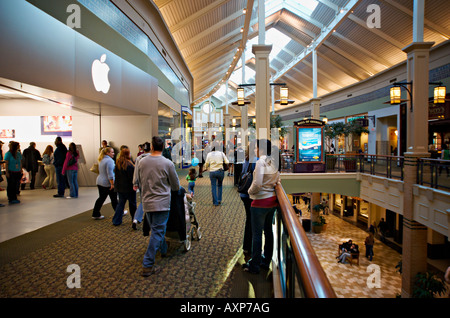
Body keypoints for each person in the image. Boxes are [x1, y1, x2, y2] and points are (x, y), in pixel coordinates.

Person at [135, 136, 180, 277]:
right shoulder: (168, 164)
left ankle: (164, 249)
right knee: (157, 231)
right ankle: (147, 264)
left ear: (152, 148)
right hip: (162, 202)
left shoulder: (142, 162)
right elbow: (175, 185)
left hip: (147, 202)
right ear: (163, 148)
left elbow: (138, 181)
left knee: (156, 229)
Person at [243, 139, 280, 274]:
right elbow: (278, 180)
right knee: (268, 232)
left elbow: (257, 183)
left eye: (256, 147)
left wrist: (249, 192)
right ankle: (266, 261)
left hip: (259, 203)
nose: (255, 150)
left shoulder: (260, 162)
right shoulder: (273, 162)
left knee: (257, 235)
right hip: (272, 201)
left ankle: (255, 265)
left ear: (262, 149)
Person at [239, 140, 257, 255]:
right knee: (252, 221)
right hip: (249, 193)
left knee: (249, 220)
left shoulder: (245, 159)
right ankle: (249, 247)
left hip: (243, 193)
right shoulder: (255, 161)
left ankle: (246, 246)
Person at [112, 148, 136, 227]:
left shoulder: (118, 163)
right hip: (129, 188)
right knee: (132, 204)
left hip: (120, 188)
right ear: (127, 154)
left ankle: (116, 220)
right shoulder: (130, 165)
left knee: (121, 204)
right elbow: (132, 178)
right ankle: (134, 219)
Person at [92, 147, 118, 220]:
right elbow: (110, 174)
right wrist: (112, 184)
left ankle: (95, 213)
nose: (113, 154)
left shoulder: (102, 159)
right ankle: (119, 212)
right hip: (107, 183)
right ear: (107, 153)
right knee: (114, 199)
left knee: (102, 198)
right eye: (112, 152)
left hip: (100, 182)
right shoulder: (109, 161)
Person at [132, 141, 151, 229]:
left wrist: (135, 183)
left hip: (141, 182)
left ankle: (137, 219)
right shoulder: (152, 157)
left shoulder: (139, 158)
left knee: (143, 200)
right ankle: (138, 218)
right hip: (151, 182)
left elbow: (136, 172)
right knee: (148, 200)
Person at [204, 142, 229, 206]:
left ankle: (215, 202)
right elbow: (227, 162)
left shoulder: (209, 154)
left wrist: (206, 168)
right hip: (220, 171)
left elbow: (206, 163)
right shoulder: (221, 153)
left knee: (213, 186)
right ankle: (219, 199)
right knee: (220, 185)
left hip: (212, 172)